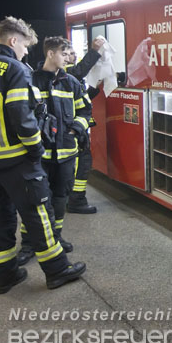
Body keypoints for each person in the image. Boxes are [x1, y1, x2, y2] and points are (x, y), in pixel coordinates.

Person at [0, 17, 86, 292]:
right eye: (24, 45)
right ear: (13, 40)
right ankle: (57, 270)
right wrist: (35, 148)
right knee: (39, 213)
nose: (26, 52)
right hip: (17, 159)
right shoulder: (15, 69)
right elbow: (21, 115)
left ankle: (5, 275)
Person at [17, 37, 91, 265]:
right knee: (35, 202)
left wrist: (75, 130)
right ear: (50, 53)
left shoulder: (72, 83)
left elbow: (86, 111)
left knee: (60, 199)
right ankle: (29, 244)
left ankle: (55, 238)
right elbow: (22, 115)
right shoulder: (30, 80)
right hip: (39, 156)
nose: (68, 58)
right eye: (64, 53)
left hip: (66, 155)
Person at [64, 37, 104, 214]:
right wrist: (94, 51)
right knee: (82, 163)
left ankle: (71, 198)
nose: (74, 56)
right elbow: (79, 71)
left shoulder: (65, 75)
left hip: (75, 127)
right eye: (70, 53)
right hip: (73, 128)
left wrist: (96, 88)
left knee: (80, 163)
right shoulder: (65, 72)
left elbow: (81, 98)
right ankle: (76, 201)